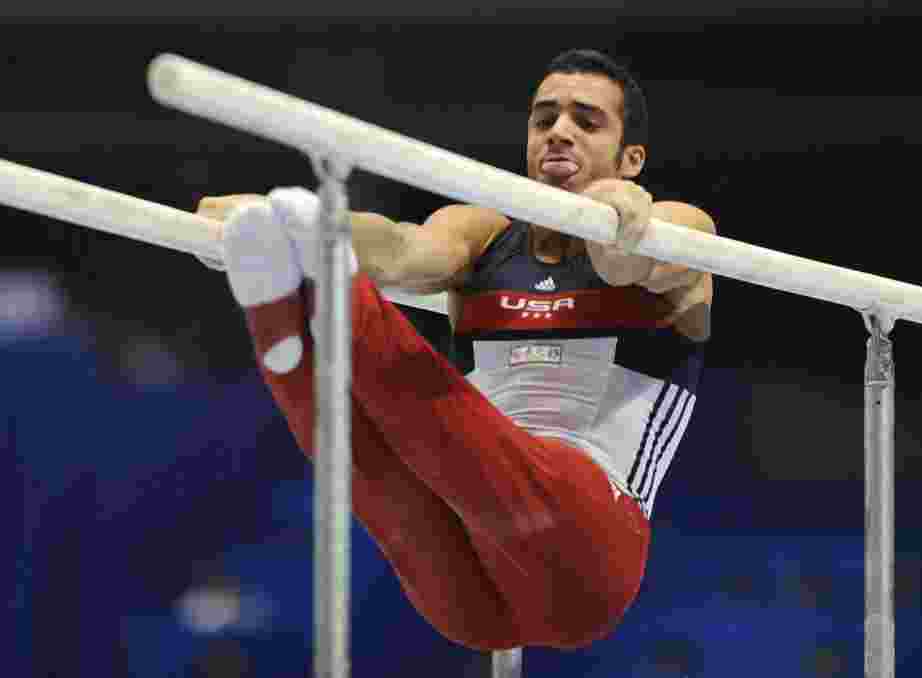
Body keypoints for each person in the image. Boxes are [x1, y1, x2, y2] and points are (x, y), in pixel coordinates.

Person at [196, 49, 716, 652]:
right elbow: (399, 248)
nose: (559, 132)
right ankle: (281, 333)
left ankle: (324, 287)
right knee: (382, 480)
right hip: (471, 581)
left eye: (586, 120)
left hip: (588, 554)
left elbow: (625, 262)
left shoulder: (683, 226)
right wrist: (261, 219)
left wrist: (619, 209)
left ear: (632, 158)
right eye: (543, 118)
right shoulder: (482, 237)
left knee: (429, 422)